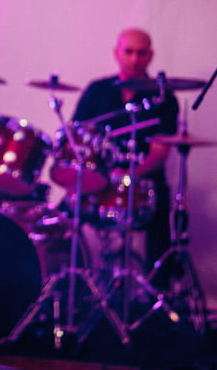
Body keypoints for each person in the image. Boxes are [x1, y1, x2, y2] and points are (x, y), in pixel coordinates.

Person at [71, 27, 178, 279]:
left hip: (144, 184)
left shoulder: (163, 98)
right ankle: (75, 286)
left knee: (161, 218)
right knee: (66, 215)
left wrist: (130, 173)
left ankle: (156, 295)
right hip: (97, 182)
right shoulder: (97, 90)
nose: (134, 59)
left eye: (141, 53)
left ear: (150, 56)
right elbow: (76, 136)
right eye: (128, 52)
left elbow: (160, 152)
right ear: (116, 53)